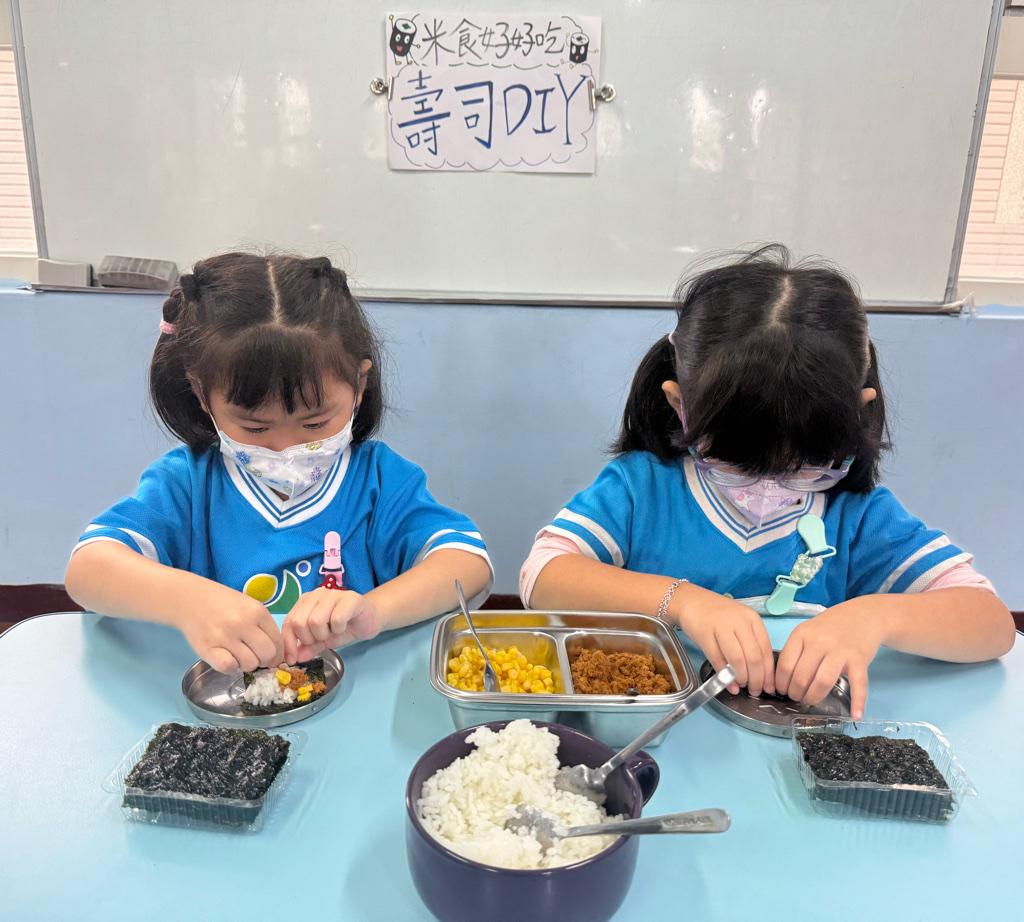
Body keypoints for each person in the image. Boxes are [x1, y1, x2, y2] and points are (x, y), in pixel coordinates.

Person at [520, 245, 1014, 719]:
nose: (768, 487)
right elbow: (543, 576)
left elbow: (991, 623)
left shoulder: (857, 515)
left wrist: (874, 618)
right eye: (736, 462)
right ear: (679, 405)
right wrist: (684, 602)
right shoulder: (642, 489)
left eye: (804, 464)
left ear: (858, 415)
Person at [65, 253, 492, 672]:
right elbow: (88, 569)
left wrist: (373, 610)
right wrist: (189, 602)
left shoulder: (379, 480)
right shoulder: (188, 483)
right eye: (254, 427)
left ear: (360, 383)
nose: (285, 448)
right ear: (201, 395)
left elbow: (466, 563)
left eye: (315, 423)